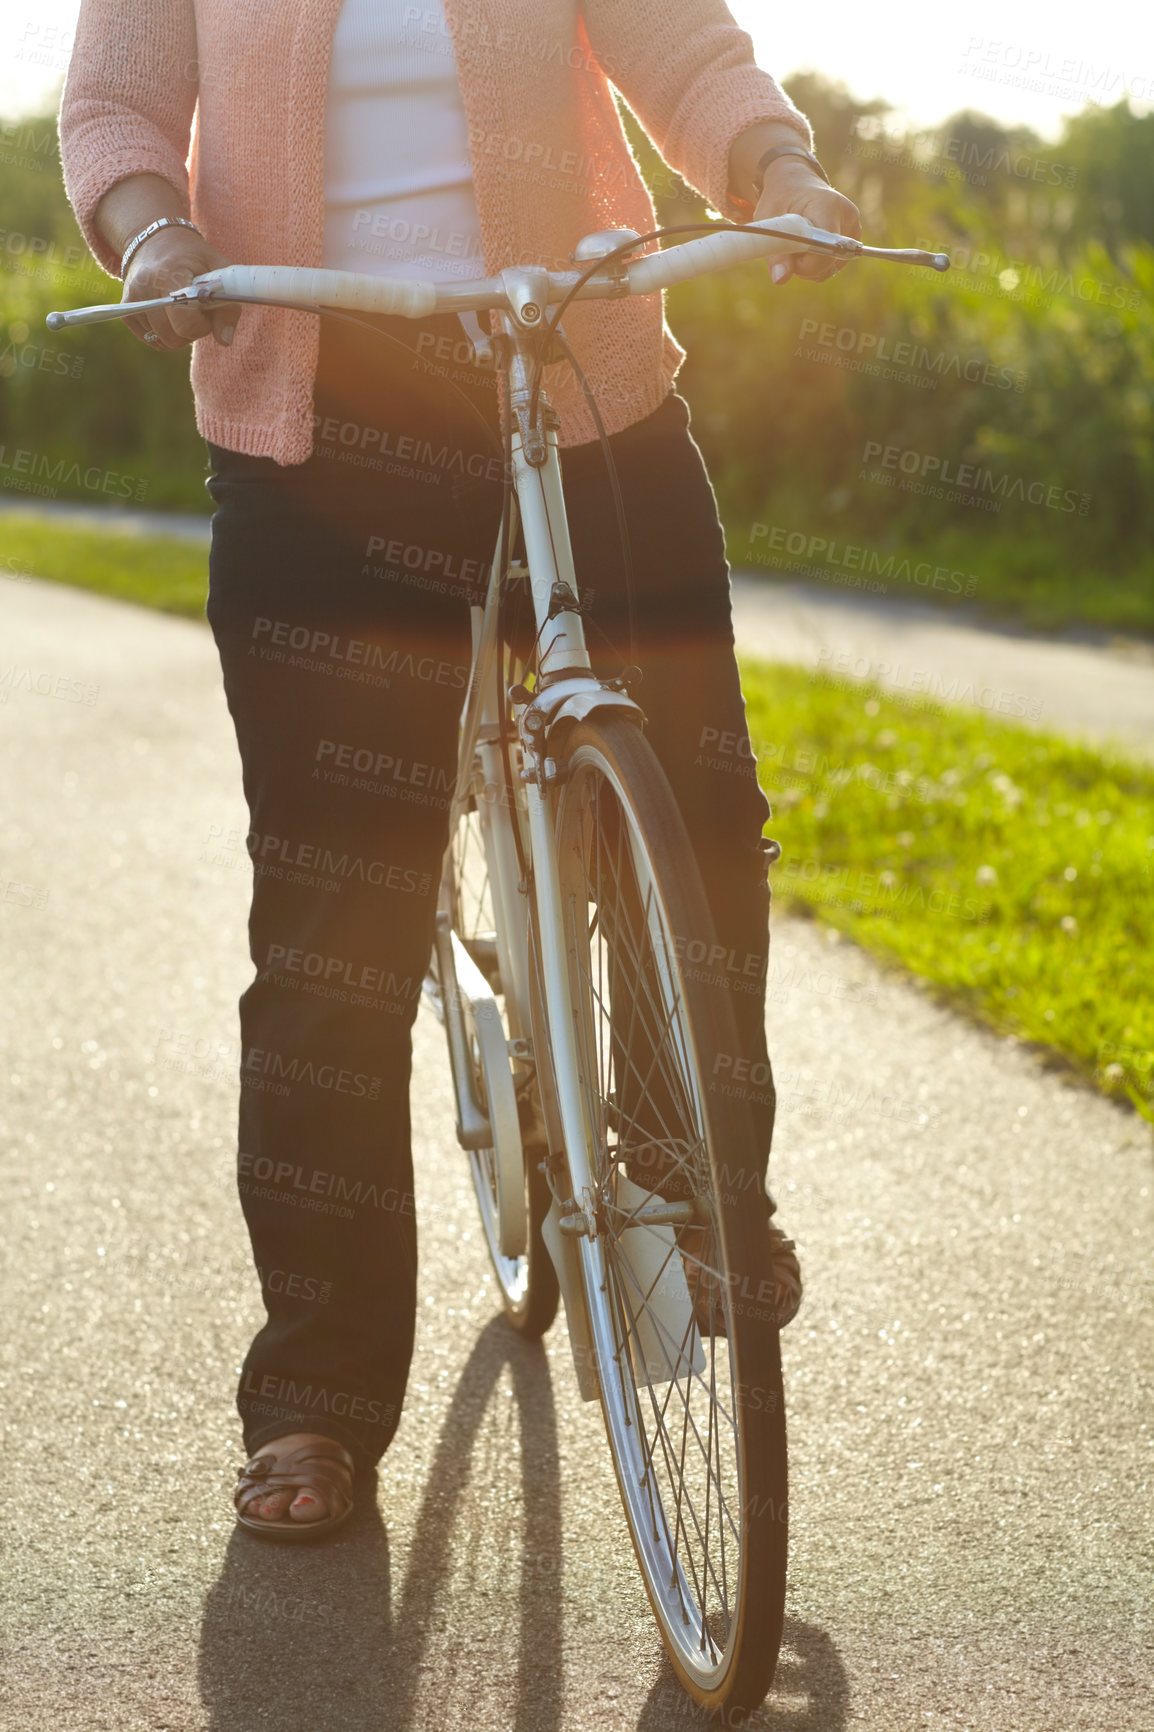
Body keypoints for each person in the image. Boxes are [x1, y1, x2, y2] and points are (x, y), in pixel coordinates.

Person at [60, 0, 861, 1541]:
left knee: (692, 816)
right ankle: (315, 1392)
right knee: (334, 924)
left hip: (578, 374)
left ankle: (699, 1188)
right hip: (319, 407)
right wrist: (157, 239)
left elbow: (681, 50)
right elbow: (114, 111)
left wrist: (773, 166)